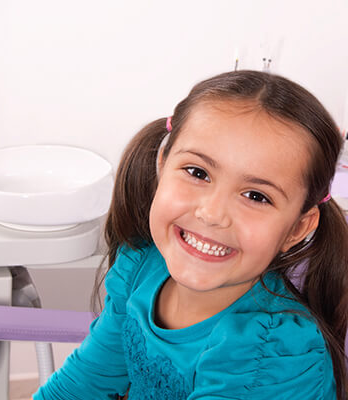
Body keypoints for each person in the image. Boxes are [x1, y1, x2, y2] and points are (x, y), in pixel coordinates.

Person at [32, 70, 348, 399]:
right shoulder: (139, 266)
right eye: (198, 172)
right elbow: (83, 383)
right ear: (162, 163)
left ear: (297, 229)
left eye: (256, 196)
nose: (211, 213)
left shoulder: (268, 354)